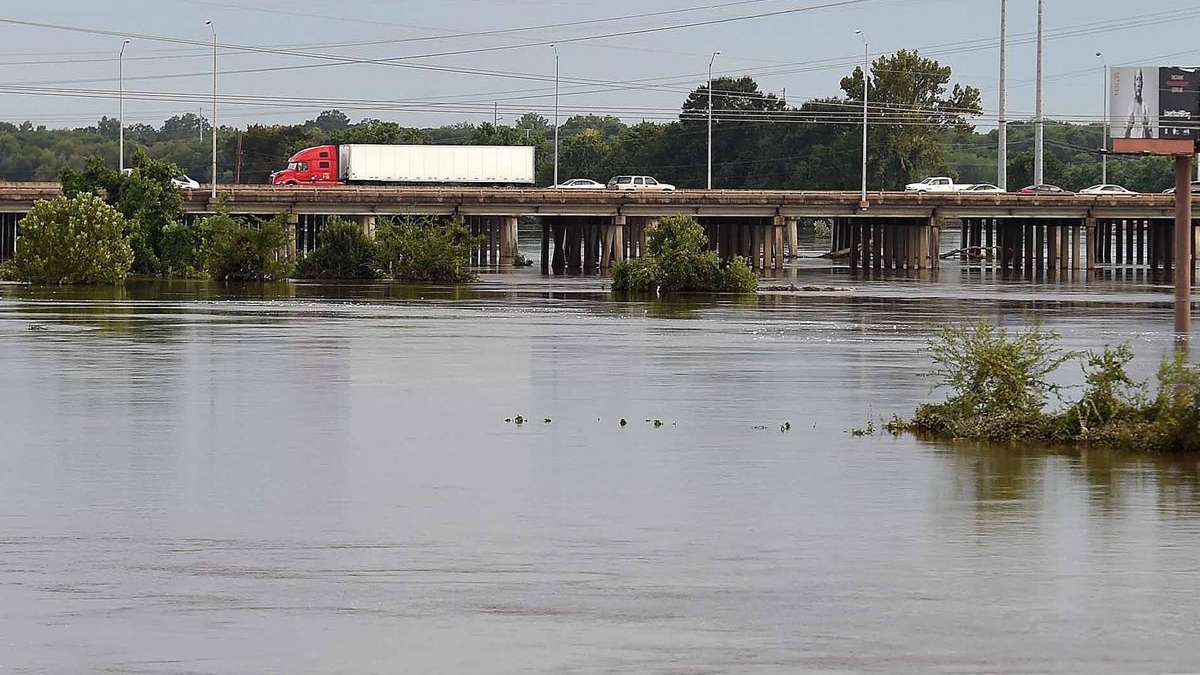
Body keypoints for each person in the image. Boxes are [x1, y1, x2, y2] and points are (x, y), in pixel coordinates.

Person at [1124, 68, 1154, 139]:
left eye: (1140, 80)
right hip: (1131, 144)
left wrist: (1146, 128)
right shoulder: (1129, 107)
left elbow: (1151, 139)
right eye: (1137, 79)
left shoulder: (1146, 108)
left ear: (1142, 84)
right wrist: (1129, 127)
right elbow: (1124, 137)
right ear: (1134, 83)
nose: (1138, 83)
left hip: (1144, 144)